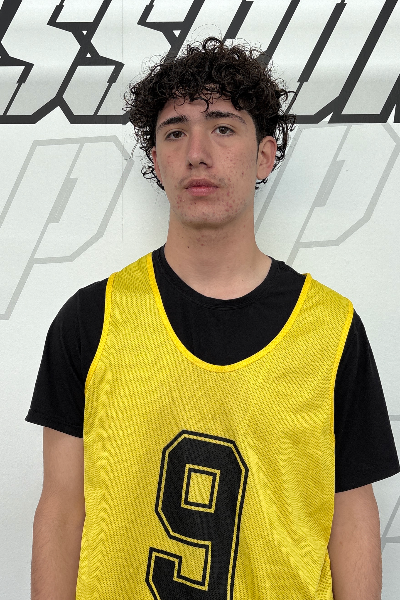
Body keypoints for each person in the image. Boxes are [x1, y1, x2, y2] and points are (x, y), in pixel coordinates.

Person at [26, 36, 399, 599]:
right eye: (175, 132)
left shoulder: (331, 328)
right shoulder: (91, 320)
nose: (197, 152)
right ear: (156, 160)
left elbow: (351, 515)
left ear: (265, 154)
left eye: (223, 128)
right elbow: (61, 509)